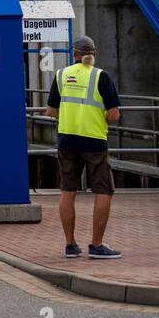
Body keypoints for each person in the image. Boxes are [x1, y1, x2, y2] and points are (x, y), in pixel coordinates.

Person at [46, 36, 122, 259]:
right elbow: (114, 115)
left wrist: (71, 117)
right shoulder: (101, 77)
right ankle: (97, 245)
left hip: (67, 141)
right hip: (94, 141)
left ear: (74, 54)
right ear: (93, 54)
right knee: (103, 191)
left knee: (67, 191)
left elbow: (50, 111)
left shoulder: (61, 75)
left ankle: (70, 245)